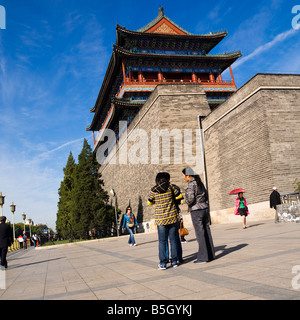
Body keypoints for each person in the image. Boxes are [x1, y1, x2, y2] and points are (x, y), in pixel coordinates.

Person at [148, 172, 182, 269]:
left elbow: (150, 202)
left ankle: (162, 263)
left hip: (161, 220)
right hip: (172, 218)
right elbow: (179, 197)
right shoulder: (171, 188)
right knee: (173, 240)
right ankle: (174, 261)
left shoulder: (153, 190)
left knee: (162, 241)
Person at [182, 167, 215, 263]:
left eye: (184, 176)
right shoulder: (200, 182)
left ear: (188, 175)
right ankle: (211, 255)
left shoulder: (191, 184)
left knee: (200, 233)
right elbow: (206, 195)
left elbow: (190, 199)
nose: (184, 178)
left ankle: (203, 257)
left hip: (196, 210)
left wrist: (185, 201)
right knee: (207, 231)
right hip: (205, 208)